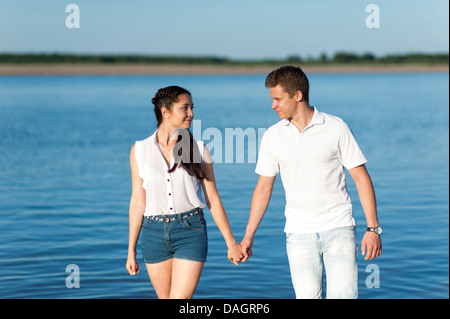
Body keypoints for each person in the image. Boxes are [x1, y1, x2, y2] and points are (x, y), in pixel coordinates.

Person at [240, 66, 382, 299]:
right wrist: (248, 236)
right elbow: (263, 188)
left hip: (339, 229)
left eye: (277, 99)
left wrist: (373, 228)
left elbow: (361, 177)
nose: (272, 105)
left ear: (297, 95)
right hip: (298, 233)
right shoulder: (273, 136)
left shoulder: (336, 128)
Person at [126, 85, 243, 299]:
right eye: (185, 108)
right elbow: (137, 201)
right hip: (153, 233)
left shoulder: (198, 148)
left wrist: (231, 243)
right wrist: (131, 250)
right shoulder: (139, 150)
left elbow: (213, 199)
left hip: (190, 231)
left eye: (192, 107)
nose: (192, 113)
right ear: (166, 111)